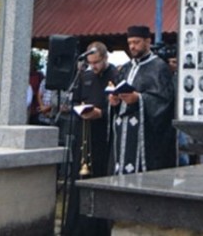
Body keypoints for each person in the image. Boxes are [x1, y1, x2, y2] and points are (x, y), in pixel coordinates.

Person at [67, 42, 118, 236]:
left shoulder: (115, 75)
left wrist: (101, 113)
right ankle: (76, 226)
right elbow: (74, 100)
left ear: (105, 58)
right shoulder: (84, 76)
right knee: (78, 178)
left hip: (103, 138)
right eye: (91, 63)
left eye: (97, 62)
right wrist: (80, 109)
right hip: (83, 134)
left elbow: (118, 108)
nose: (94, 67)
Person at [109, 26, 175, 174]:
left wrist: (138, 98)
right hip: (124, 132)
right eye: (130, 42)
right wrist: (114, 101)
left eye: (136, 42)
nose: (132, 46)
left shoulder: (159, 67)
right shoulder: (125, 68)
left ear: (147, 42)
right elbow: (118, 92)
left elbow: (165, 101)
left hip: (146, 134)